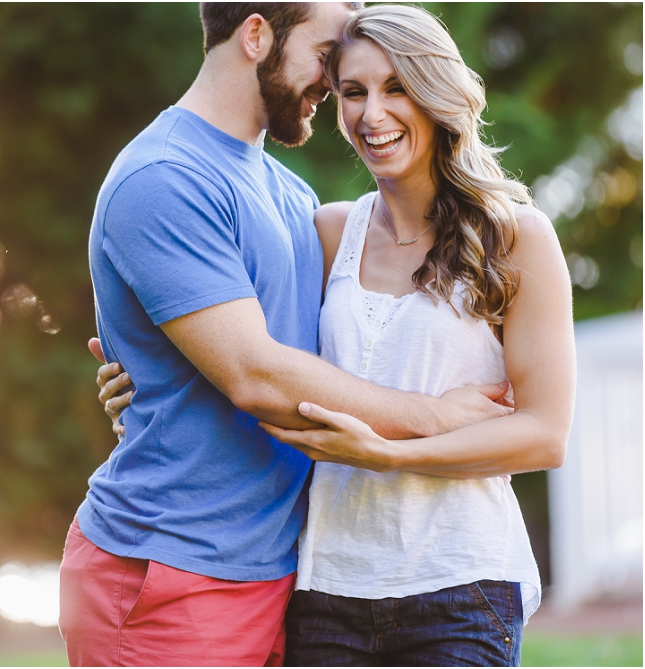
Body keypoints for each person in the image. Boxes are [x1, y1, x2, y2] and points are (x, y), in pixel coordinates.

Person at [92, 4, 576, 667]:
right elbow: (252, 354)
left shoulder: (517, 238)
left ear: (436, 92)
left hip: (460, 583)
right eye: (353, 90)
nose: (372, 113)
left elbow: (545, 434)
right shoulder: (325, 232)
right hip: (327, 589)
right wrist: (143, 378)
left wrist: (390, 454)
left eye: (397, 87)